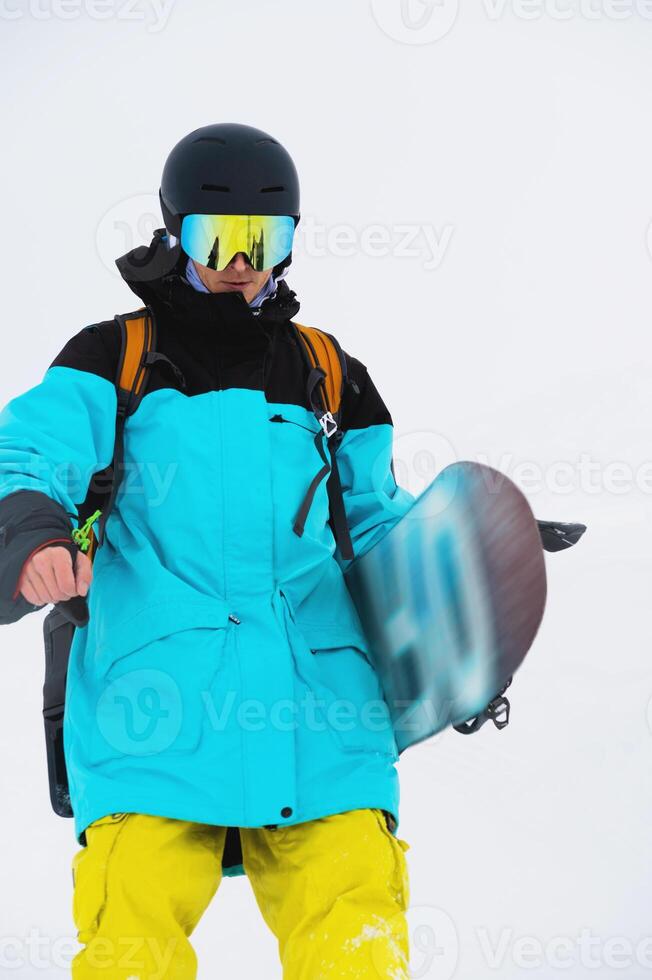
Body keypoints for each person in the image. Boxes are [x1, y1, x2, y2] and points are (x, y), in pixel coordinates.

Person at [0, 123, 415, 979]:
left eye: (265, 241)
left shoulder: (330, 373)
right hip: (154, 719)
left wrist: (471, 553)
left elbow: (375, 522)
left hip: (322, 722)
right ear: (172, 229)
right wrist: (34, 532)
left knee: (357, 946)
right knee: (130, 951)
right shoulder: (114, 357)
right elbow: (26, 455)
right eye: (214, 236)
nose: (240, 261)